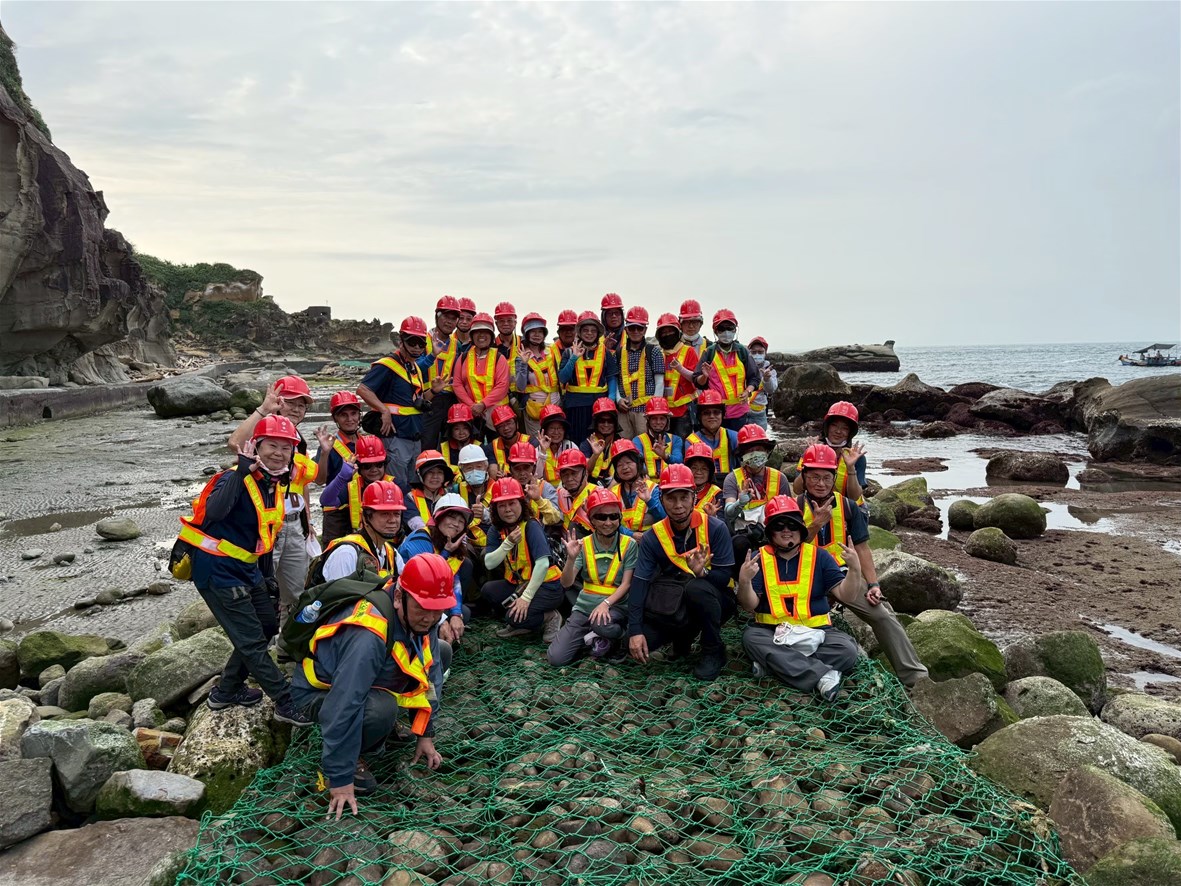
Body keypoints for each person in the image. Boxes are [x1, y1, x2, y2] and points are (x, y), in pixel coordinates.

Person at [290, 553, 455, 817]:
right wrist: (340, 778)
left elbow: (430, 672)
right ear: (400, 597)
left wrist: (426, 733)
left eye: (438, 610)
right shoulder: (368, 635)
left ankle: (379, 728)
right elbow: (343, 704)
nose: (431, 618)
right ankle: (353, 756)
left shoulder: (426, 617)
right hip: (320, 691)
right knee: (381, 709)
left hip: (367, 677)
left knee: (443, 652)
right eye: (424, 608)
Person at [177, 415, 311, 726]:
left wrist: (267, 580)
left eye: (285, 448)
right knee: (251, 640)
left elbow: (262, 535)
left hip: (248, 567)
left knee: (266, 626)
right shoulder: (233, 478)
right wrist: (239, 469)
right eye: (271, 446)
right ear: (257, 447)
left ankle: (227, 690)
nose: (278, 453)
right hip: (217, 569)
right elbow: (216, 511)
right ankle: (284, 700)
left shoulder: (273, 483)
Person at [797, 444, 928, 687]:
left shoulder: (848, 506)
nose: (821, 483)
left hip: (840, 575)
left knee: (882, 614)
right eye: (814, 477)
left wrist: (873, 584)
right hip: (801, 578)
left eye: (827, 477)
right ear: (804, 476)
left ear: (834, 478)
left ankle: (915, 677)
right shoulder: (793, 507)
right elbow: (787, 548)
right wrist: (815, 525)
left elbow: (863, 549)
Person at [736, 496, 861, 702]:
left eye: (792, 525)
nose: (787, 531)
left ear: (801, 528)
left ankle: (774, 664)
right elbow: (750, 605)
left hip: (818, 632)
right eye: (779, 526)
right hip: (770, 632)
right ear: (770, 532)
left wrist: (855, 569)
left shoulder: (820, 556)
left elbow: (846, 595)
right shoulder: (759, 558)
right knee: (751, 639)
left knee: (846, 650)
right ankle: (823, 676)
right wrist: (745, 581)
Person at [627, 464, 736, 681]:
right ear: (662, 499)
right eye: (671, 498)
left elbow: (724, 578)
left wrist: (703, 573)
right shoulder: (652, 537)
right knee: (637, 644)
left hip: (714, 598)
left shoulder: (716, 528)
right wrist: (635, 631)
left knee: (697, 588)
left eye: (684, 497)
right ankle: (682, 637)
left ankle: (713, 648)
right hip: (673, 600)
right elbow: (639, 583)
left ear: (694, 497)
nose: (678, 506)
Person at [228, 376, 318, 627]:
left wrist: (307, 521)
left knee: (296, 588)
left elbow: (301, 485)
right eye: (291, 402)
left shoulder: (297, 441)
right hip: (266, 525)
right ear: (278, 402)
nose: (297, 409)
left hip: (293, 523)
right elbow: (235, 443)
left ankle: (286, 642)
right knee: (262, 585)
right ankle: (260, 638)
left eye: (302, 405)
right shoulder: (264, 431)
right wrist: (262, 410)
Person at [548, 487, 637, 666]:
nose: (608, 522)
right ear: (591, 520)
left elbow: (626, 584)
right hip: (585, 608)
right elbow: (566, 583)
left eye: (613, 516)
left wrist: (605, 604)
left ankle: (620, 637)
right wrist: (570, 559)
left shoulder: (629, 545)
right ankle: (594, 639)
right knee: (556, 658)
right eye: (601, 517)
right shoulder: (583, 545)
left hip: (615, 607)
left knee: (601, 624)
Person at [481, 478, 565, 640]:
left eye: (512, 503)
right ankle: (526, 621)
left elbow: (542, 564)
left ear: (521, 503)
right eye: (502, 505)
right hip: (520, 583)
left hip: (548, 586)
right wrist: (507, 543)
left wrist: (525, 599)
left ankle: (550, 617)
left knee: (512, 617)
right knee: (488, 591)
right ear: (495, 508)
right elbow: (489, 563)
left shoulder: (531, 526)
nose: (507, 510)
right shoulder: (496, 529)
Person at [357, 317, 434, 490]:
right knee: (396, 486)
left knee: (413, 486)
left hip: (414, 436)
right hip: (396, 438)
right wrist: (383, 411)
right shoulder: (388, 365)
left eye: (421, 343)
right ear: (401, 341)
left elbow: (414, 403)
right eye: (412, 342)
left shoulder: (414, 369)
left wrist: (434, 391)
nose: (416, 347)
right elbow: (363, 389)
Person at [398, 493, 470, 643]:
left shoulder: (449, 543)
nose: (456, 524)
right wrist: (443, 619)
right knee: (444, 620)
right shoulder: (421, 539)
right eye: (451, 517)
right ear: (438, 517)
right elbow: (425, 579)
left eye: (461, 521)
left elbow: (453, 579)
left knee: (463, 613)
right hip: (411, 600)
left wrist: (456, 614)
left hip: (432, 596)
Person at [723, 424, 789, 567]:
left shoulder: (780, 478)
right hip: (743, 535)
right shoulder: (732, 478)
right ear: (742, 455)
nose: (755, 454)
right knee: (739, 544)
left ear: (767, 451)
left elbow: (788, 513)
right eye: (750, 451)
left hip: (774, 533)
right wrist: (740, 502)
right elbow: (728, 513)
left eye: (759, 450)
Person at [315, 480, 405, 584]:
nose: (392, 520)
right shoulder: (346, 554)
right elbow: (338, 598)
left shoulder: (392, 554)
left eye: (397, 514)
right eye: (384, 514)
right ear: (365, 518)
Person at [320, 435, 394, 548]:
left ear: (385, 464)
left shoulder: (394, 486)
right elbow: (326, 500)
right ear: (359, 466)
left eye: (379, 464)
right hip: (357, 542)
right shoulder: (351, 487)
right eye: (367, 466)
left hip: (387, 544)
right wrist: (342, 477)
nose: (374, 470)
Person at [694, 309, 760, 431]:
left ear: (735, 330)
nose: (726, 332)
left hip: (739, 412)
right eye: (722, 328)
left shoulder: (742, 351)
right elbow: (697, 381)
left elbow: (755, 377)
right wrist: (704, 376)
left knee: (737, 445)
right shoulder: (709, 352)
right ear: (716, 331)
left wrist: (748, 391)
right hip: (714, 412)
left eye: (730, 328)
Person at [558, 311, 619, 444]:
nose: (589, 333)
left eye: (593, 330)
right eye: (585, 330)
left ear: (598, 333)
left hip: (599, 407)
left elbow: (611, 378)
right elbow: (562, 378)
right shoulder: (569, 352)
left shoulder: (606, 353)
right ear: (579, 332)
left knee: (598, 442)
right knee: (577, 441)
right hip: (575, 407)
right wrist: (573, 358)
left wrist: (611, 400)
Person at [792, 401, 867, 506]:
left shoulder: (856, 457)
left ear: (850, 433)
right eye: (834, 426)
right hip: (816, 505)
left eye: (844, 428)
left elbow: (854, 497)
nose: (838, 431)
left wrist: (850, 468)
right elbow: (797, 490)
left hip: (846, 509)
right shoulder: (811, 451)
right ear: (827, 427)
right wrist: (809, 462)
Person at [452, 312, 510, 441]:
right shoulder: (463, 357)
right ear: (472, 335)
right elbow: (457, 384)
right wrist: (472, 406)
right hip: (471, 413)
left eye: (486, 332)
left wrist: (483, 405)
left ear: (491, 336)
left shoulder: (499, 358)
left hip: (497, 414)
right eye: (477, 332)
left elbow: (502, 385)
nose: (481, 335)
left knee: (497, 449)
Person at [614, 306, 665, 439]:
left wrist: (654, 409)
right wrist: (618, 400)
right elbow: (616, 379)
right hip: (624, 411)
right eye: (632, 328)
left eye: (639, 328)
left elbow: (659, 382)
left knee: (645, 445)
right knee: (625, 445)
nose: (635, 331)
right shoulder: (619, 353)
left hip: (645, 410)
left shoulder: (653, 351)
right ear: (626, 329)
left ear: (645, 330)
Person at [421, 295, 464, 449]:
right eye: (446, 316)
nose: (449, 321)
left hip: (450, 401)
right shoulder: (423, 340)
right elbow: (414, 368)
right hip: (428, 399)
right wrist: (432, 355)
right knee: (427, 444)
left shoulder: (456, 344)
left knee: (449, 445)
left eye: (454, 318)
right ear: (437, 316)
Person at [516, 313, 561, 438]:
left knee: (555, 438)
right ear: (526, 334)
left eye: (540, 331)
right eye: (533, 331)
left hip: (555, 404)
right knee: (537, 442)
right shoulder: (520, 355)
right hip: (534, 408)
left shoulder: (551, 351)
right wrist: (523, 364)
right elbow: (520, 386)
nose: (537, 335)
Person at [607, 439, 664, 537]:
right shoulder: (613, 493)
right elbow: (609, 523)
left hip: (650, 542)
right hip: (622, 544)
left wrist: (649, 500)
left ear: (638, 464)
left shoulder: (654, 489)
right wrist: (631, 535)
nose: (624, 467)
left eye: (628, 462)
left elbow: (665, 519)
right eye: (619, 465)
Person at [655, 313, 699, 440]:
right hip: (663, 412)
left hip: (684, 410)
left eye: (670, 331)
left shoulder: (689, 351)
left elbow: (696, 379)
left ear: (678, 332)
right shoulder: (658, 354)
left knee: (683, 445)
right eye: (664, 332)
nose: (667, 335)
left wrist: (681, 369)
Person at [686, 390, 740, 481]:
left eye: (716, 412)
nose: (712, 416)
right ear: (700, 417)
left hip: (731, 485)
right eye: (706, 413)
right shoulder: (690, 441)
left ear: (722, 415)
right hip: (703, 485)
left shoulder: (734, 436)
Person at [314, 391, 364, 487]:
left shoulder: (367, 442)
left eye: (353, 413)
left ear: (359, 415)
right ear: (335, 418)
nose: (349, 419)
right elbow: (319, 481)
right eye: (343, 415)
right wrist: (324, 453)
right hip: (338, 501)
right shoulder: (327, 447)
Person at [507, 441, 563, 527]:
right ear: (510, 469)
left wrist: (538, 500)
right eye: (517, 468)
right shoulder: (505, 487)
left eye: (526, 468)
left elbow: (556, 518)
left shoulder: (545, 487)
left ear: (534, 468)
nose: (522, 473)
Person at [406, 450, 455, 534]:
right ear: (419, 475)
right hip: (421, 541)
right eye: (430, 472)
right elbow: (416, 524)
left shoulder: (451, 496)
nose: (435, 476)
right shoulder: (410, 498)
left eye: (439, 472)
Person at [634, 396, 684, 479]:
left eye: (662, 419)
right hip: (647, 484)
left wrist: (665, 456)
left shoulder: (676, 439)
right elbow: (638, 462)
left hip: (671, 483)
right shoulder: (638, 440)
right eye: (654, 419)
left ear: (667, 421)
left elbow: (679, 462)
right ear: (648, 421)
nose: (658, 422)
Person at [533, 403, 577, 486]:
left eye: (559, 428)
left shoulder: (571, 446)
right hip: (545, 492)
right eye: (552, 428)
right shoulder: (537, 449)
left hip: (568, 488)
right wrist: (543, 452)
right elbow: (536, 477)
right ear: (545, 431)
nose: (556, 433)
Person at [581, 397, 621, 485]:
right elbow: (585, 471)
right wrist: (595, 455)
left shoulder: (621, 443)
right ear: (595, 423)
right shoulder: (586, 444)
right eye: (602, 421)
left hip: (616, 485)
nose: (606, 425)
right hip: (592, 486)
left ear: (615, 423)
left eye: (610, 421)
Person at [555, 448, 594, 536]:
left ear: (586, 473)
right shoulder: (559, 494)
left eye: (574, 473)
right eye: (565, 474)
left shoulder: (597, 494)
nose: (569, 479)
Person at [485, 404, 530, 476]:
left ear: (516, 423)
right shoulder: (491, 448)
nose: (506, 428)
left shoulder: (530, 442)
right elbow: (492, 470)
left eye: (509, 423)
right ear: (496, 429)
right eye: (501, 426)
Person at [746, 337, 778, 430]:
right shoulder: (743, 366)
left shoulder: (770, 370)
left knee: (759, 441)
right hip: (742, 411)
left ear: (765, 353)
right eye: (753, 352)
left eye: (760, 352)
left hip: (759, 412)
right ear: (749, 352)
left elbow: (771, 390)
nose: (757, 354)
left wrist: (767, 379)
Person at [685, 442, 723, 516]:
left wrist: (713, 518)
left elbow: (722, 523)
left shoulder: (717, 493)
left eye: (704, 469)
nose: (699, 472)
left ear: (710, 472)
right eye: (694, 468)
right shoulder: (679, 489)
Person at [493, 302, 521, 396]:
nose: (506, 324)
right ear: (496, 324)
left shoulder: (524, 343)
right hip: (497, 395)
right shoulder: (490, 346)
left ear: (515, 323)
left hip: (521, 395)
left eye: (509, 320)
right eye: (501, 321)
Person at [439, 402, 476, 469]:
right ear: (451, 431)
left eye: (465, 428)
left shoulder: (479, 447)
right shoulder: (442, 448)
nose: (461, 432)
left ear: (471, 429)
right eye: (456, 429)